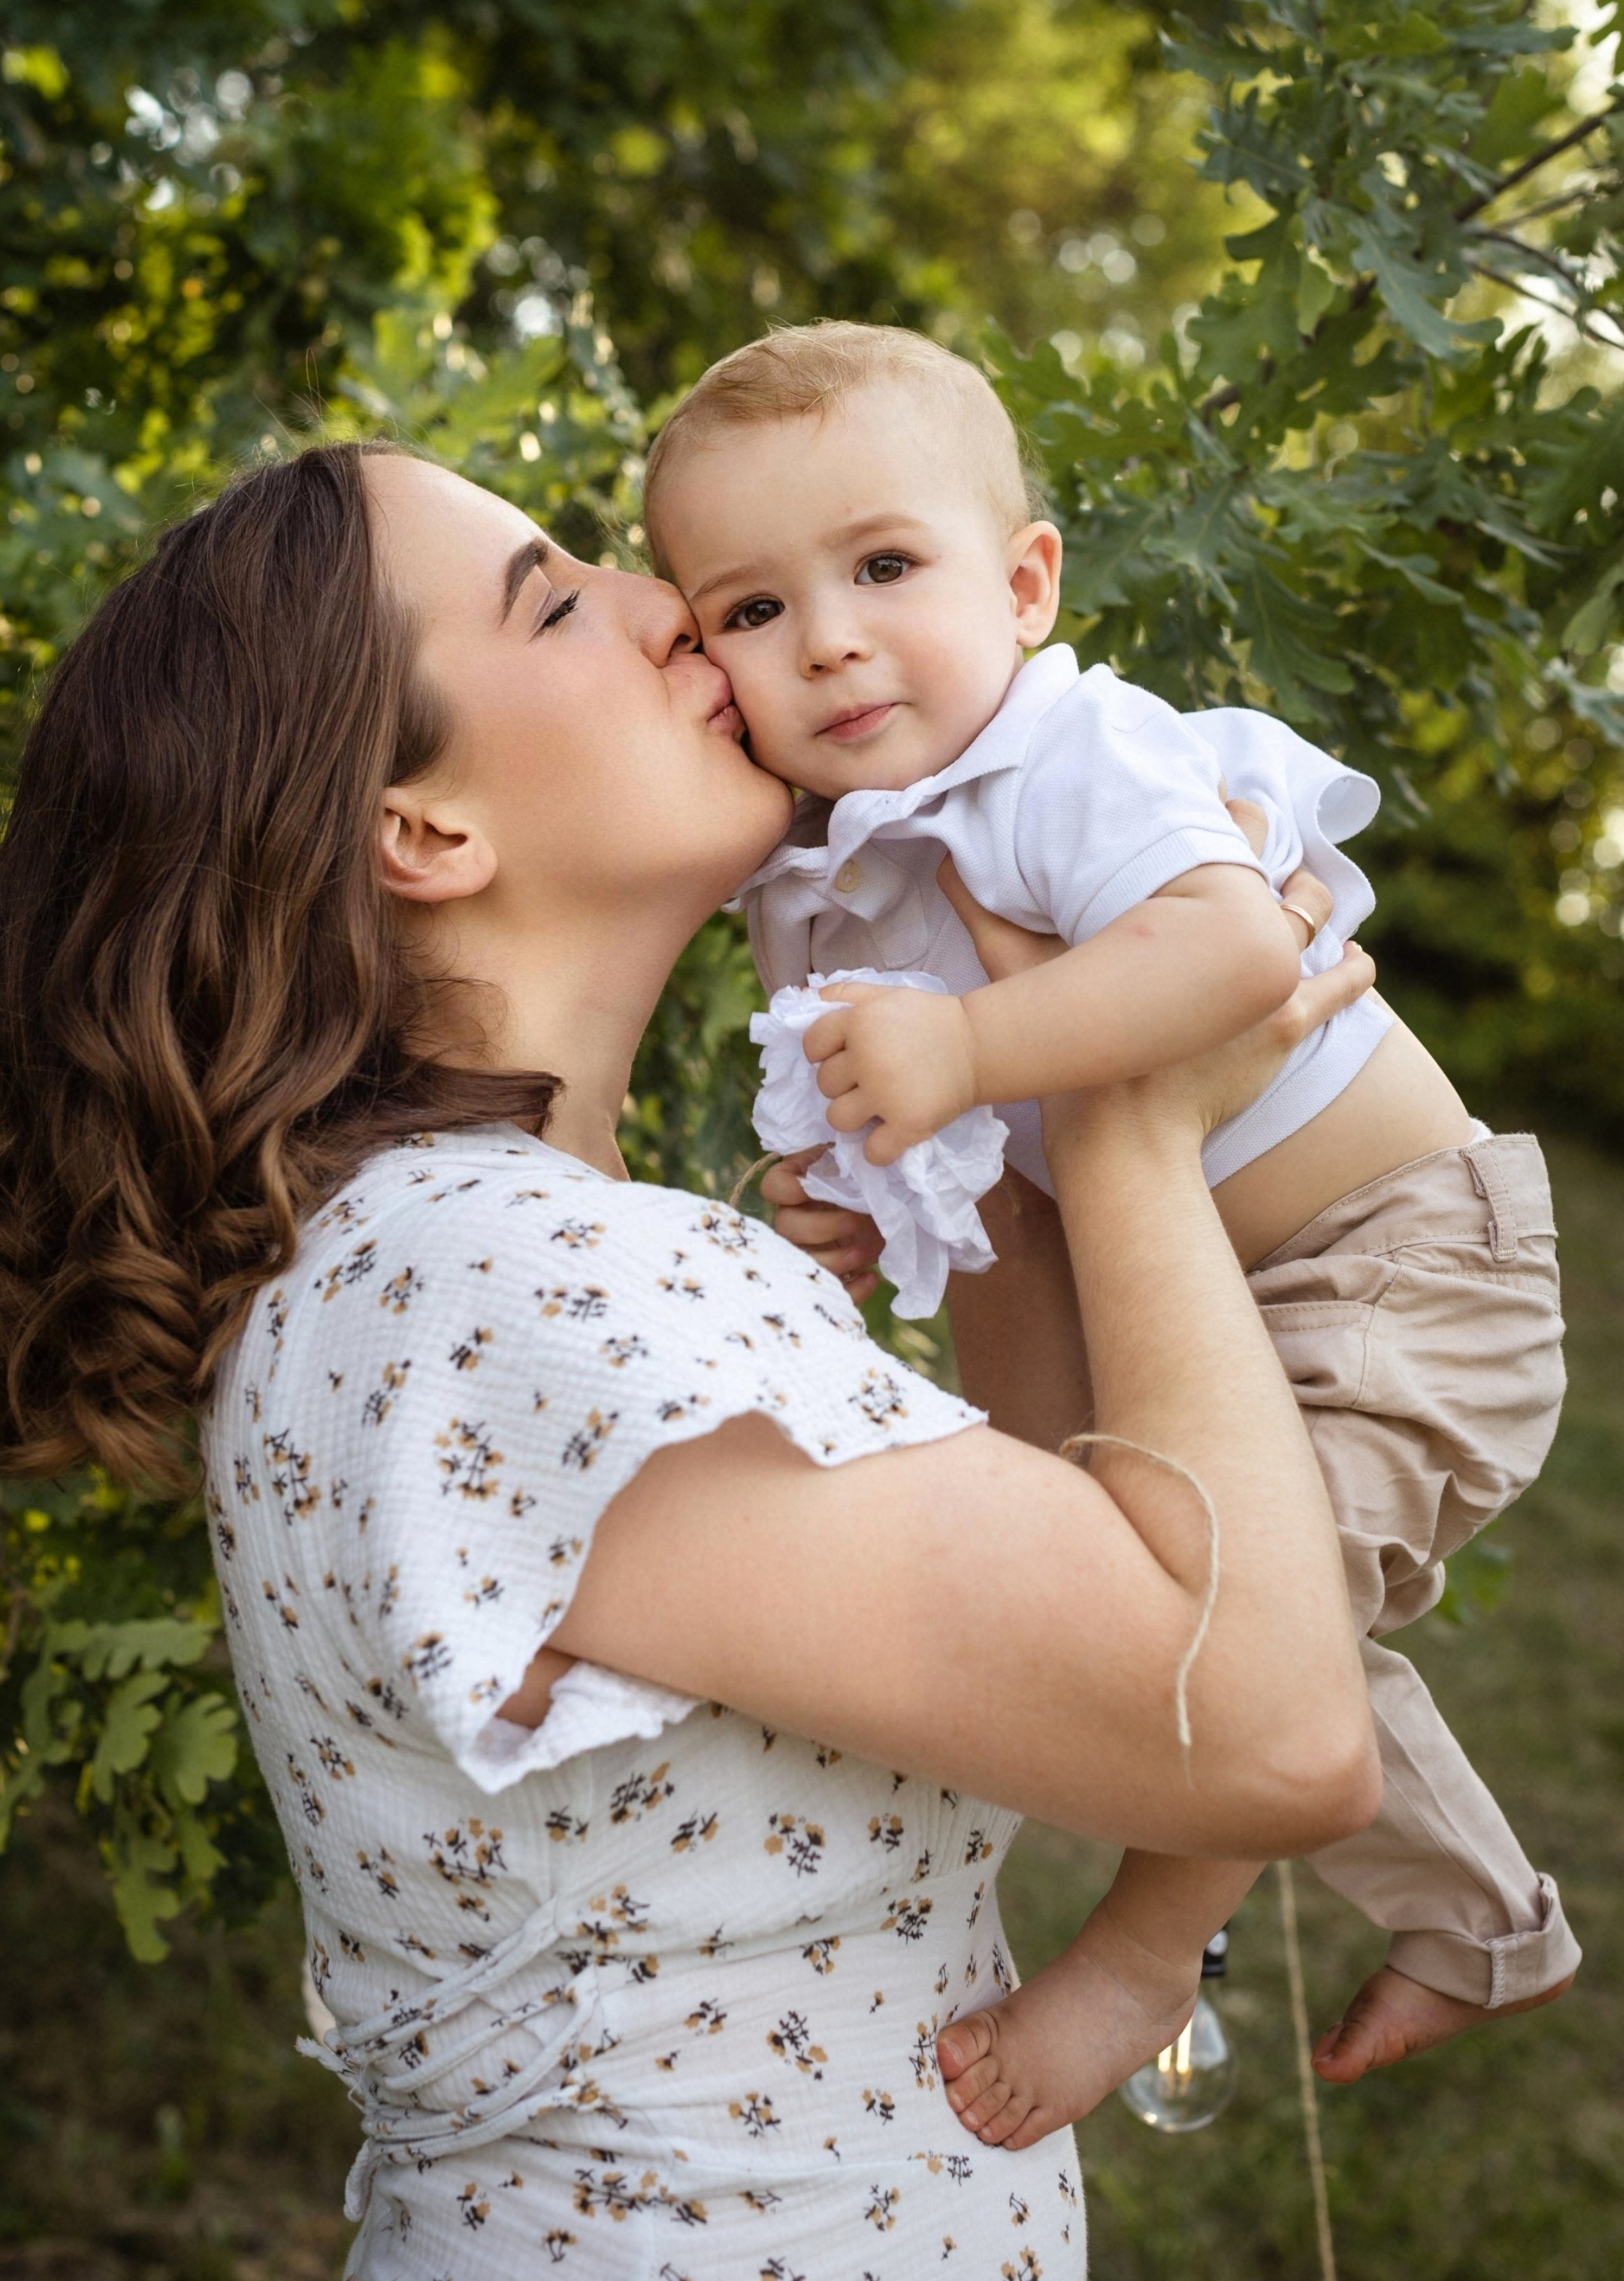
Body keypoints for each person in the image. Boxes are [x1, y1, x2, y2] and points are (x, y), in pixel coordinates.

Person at [0, 439, 1378, 2276]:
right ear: (425, 830)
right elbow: (1262, 1725)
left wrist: (1021, 1071)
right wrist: (1133, 1130)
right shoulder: (514, 1289)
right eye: (553, 596)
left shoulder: (461, 1256)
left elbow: (1092, 1623)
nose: (665, 607)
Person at [643, 320, 1580, 2150]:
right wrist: (841, 1190)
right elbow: (910, 1123)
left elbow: (1235, 953)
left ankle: (1149, 1956)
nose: (827, 636)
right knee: (1231, 1609)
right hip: (1211, 1292)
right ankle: (1480, 1922)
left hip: (1403, 1262)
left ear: (1024, 579)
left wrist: (974, 1043)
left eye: (886, 568)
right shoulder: (817, 882)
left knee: (1237, 1613)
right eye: (751, 608)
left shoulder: (1070, 754)